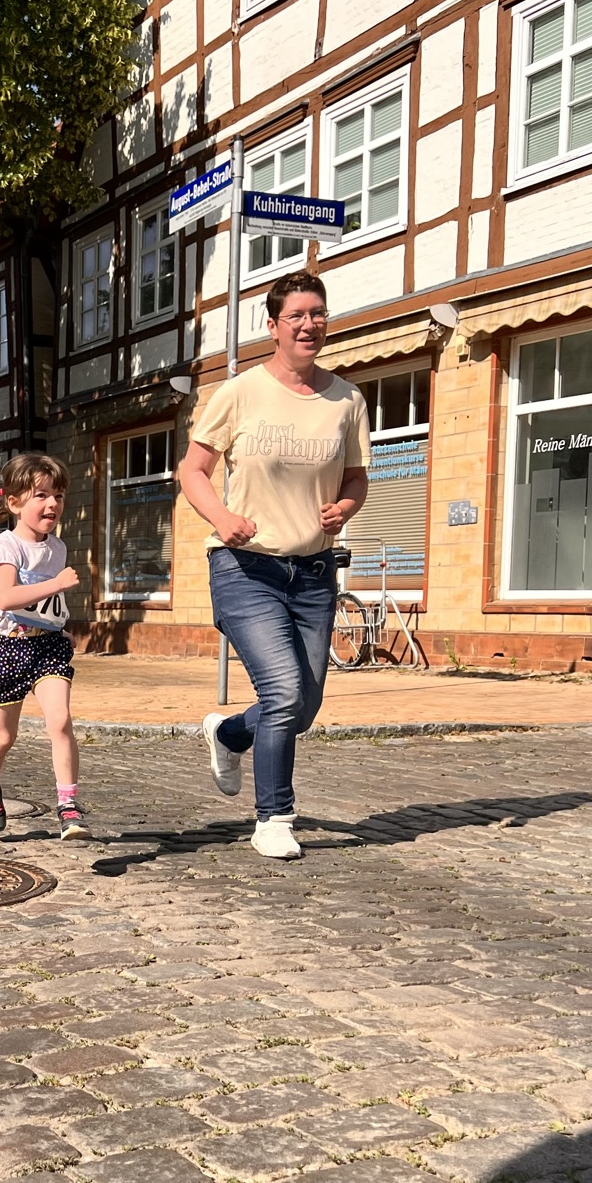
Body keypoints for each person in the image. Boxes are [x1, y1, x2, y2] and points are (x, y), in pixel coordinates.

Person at [177, 270, 369, 861]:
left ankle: (229, 733)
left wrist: (345, 507)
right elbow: (192, 470)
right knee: (283, 690)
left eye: (318, 313)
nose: (309, 325)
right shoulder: (239, 393)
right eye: (297, 316)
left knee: (303, 707)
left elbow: (357, 477)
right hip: (245, 568)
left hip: (313, 573)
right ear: (273, 326)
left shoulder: (347, 400)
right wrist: (221, 516)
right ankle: (274, 817)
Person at [0, 453, 89, 840]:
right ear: (14, 502)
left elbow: (46, 605)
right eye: (41, 495)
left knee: (60, 721)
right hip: (8, 649)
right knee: (5, 737)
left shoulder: (58, 549)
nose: (52, 503)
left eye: (58, 495)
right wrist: (57, 584)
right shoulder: (7, 548)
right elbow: (7, 598)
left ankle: (68, 806)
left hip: (48, 648)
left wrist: (59, 628)